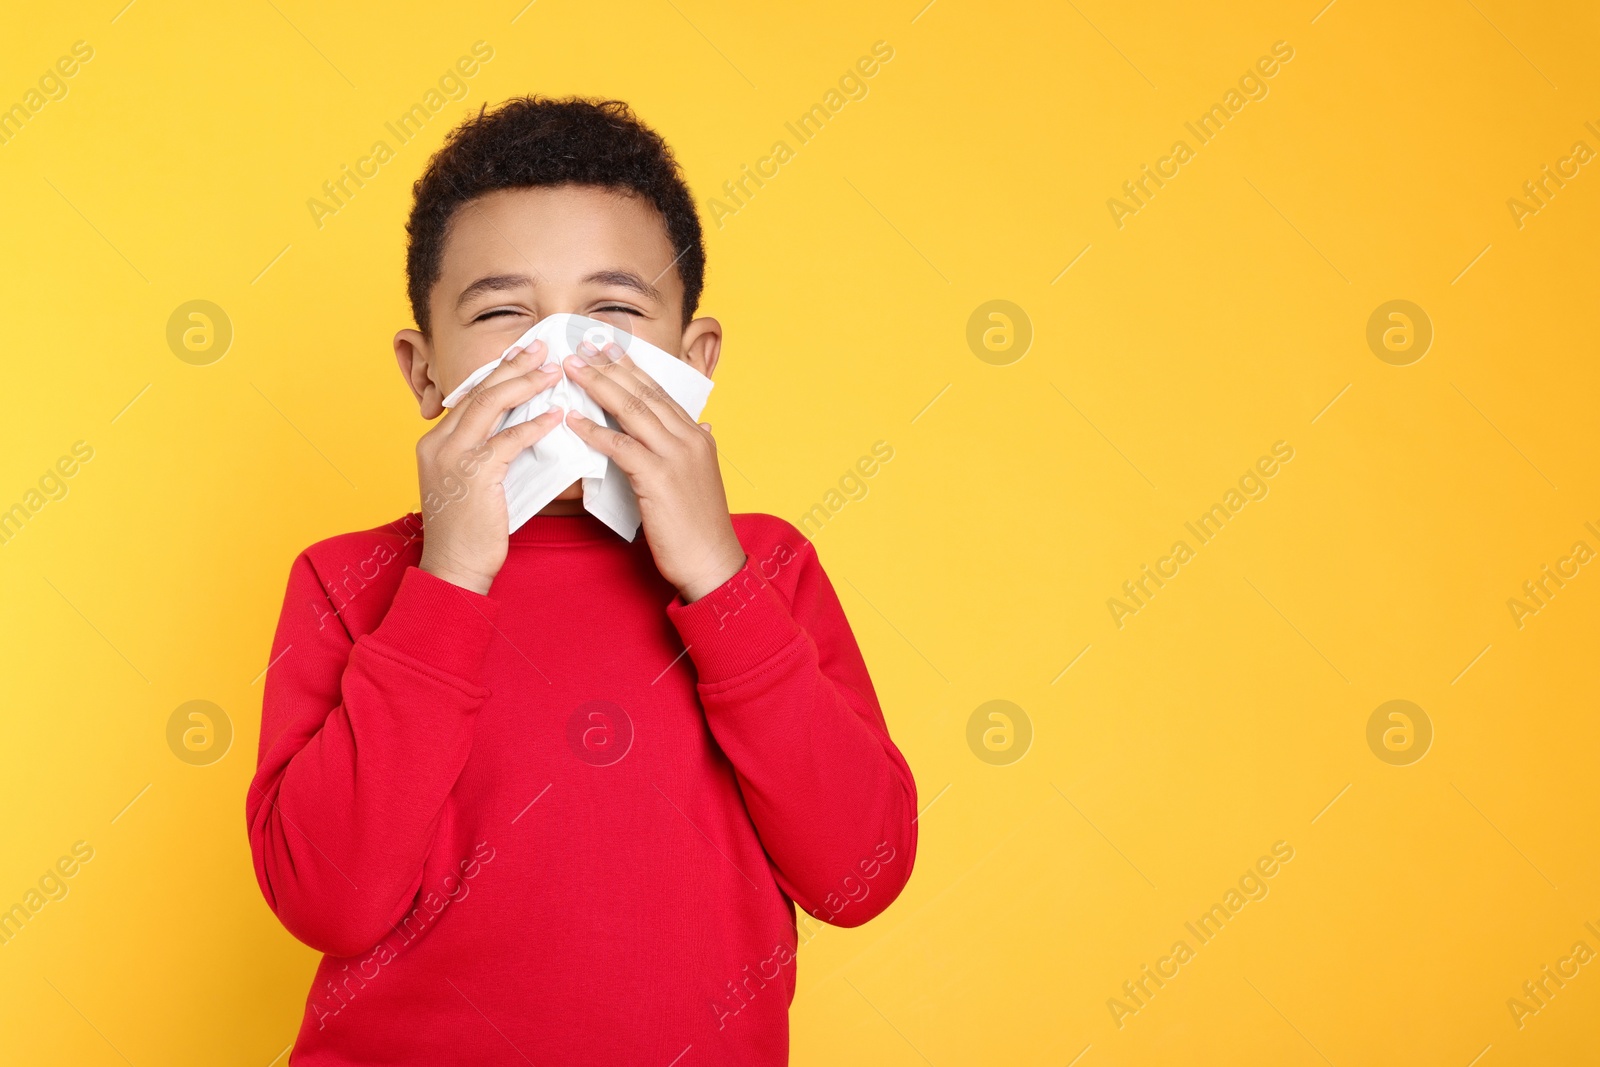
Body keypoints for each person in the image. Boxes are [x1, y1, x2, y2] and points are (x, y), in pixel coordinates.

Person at [245, 95, 917, 1065]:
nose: (556, 358)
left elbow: (860, 874)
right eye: (503, 313)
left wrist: (717, 580)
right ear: (423, 371)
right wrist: (448, 578)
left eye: (611, 310)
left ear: (695, 359)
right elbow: (330, 901)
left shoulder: (765, 568)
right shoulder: (349, 580)